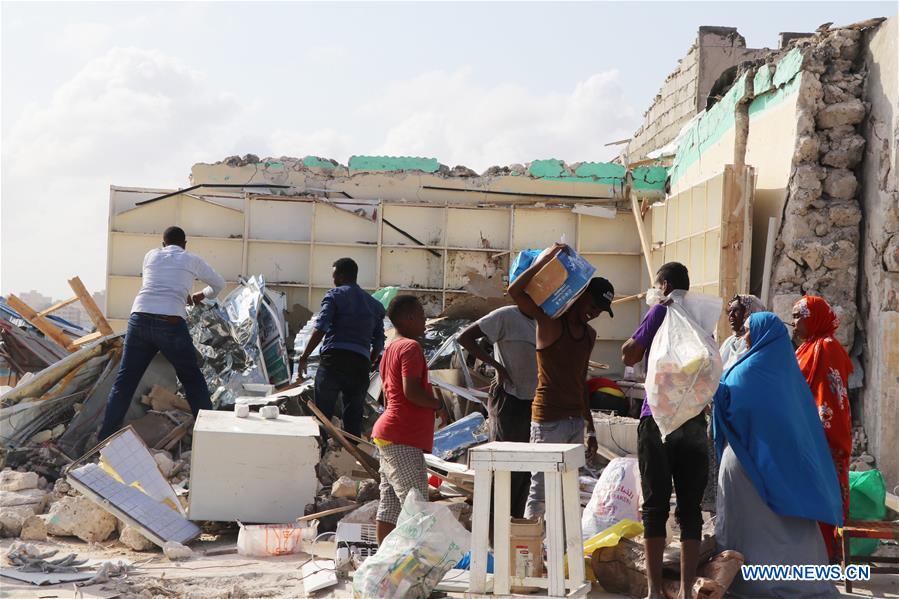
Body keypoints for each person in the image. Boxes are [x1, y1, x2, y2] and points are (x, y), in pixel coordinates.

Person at [714, 312, 842, 598]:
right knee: (787, 526)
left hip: (745, 463)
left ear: (759, 332)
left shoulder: (742, 371)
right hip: (786, 464)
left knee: (749, 528)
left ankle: (746, 580)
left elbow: (727, 411)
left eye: (747, 329)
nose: (744, 335)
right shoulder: (790, 373)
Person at [620, 262, 708, 599]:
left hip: (657, 419)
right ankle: (686, 591)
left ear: (666, 285)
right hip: (695, 421)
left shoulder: (661, 311)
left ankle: (655, 591)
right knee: (690, 510)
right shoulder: (701, 316)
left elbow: (630, 355)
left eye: (657, 285)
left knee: (655, 507)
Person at [508, 244, 614, 519]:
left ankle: (558, 551)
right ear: (579, 296)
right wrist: (544, 260)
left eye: (601, 311)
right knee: (540, 490)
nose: (594, 313)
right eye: (593, 305)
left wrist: (590, 427)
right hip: (548, 420)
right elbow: (515, 293)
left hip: (574, 422)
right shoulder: (551, 321)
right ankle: (530, 552)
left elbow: (581, 380)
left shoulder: (589, 335)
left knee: (568, 492)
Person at [98, 226, 224, 440]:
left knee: (125, 382)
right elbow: (218, 284)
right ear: (185, 244)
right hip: (171, 322)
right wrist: (200, 295)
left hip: (139, 319)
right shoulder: (191, 259)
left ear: (163, 244)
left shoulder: (150, 256)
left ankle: (105, 437)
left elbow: (161, 282)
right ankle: (209, 436)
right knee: (192, 379)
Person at [371, 295, 441, 543]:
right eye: (422, 316)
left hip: (389, 432)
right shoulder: (411, 347)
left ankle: (382, 563)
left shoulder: (390, 349)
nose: (425, 321)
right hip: (401, 436)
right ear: (409, 318)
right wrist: (437, 404)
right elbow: (411, 391)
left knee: (389, 503)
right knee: (416, 505)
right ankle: (410, 565)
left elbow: (389, 394)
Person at [457, 305, 537, 518]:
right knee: (503, 465)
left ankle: (515, 524)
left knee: (526, 469)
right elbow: (465, 338)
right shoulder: (506, 316)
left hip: (535, 403)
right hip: (510, 400)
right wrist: (498, 367)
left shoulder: (546, 321)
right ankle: (493, 527)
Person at [792, 295, 853, 561]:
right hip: (806, 437)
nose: (794, 323)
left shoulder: (827, 348)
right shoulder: (806, 348)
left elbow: (830, 400)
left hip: (823, 440)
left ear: (813, 318)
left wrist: (820, 438)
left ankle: (823, 559)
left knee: (822, 499)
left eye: (798, 317)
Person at [298, 258, 386, 439]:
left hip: (333, 362)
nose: (333, 280)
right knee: (353, 420)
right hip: (359, 365)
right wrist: (369, 360)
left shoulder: (335, 295)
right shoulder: (375, 305)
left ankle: (320, 457)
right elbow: (378, 342)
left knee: (323, 417)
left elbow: (321, 327)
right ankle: (350, 460)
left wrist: (304, 356)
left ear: (341, 275)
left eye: (334, 275)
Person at [719, 294, 766, 370]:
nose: (731, 315)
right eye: (730, 311)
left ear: (749, 312)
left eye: (736, 310)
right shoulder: (729, 341)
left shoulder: (754, 341)